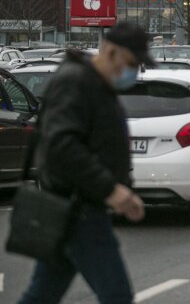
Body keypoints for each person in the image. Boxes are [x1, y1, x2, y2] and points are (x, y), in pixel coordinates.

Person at [18, 22, 155, 304]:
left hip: (76, 206)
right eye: (131, 62)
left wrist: (123, 191)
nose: (133, 70)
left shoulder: (96, 84)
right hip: (79, 210)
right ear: (111, 51)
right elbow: (62, 146)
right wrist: (111, 190)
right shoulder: (77, 81)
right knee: (116, 296)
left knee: (42, 296)